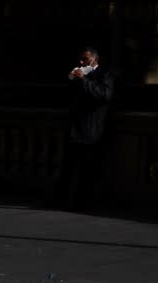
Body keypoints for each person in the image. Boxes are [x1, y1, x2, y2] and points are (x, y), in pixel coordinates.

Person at [54, 46, 115, 210]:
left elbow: (105, 95)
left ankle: (82, 203)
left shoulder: (105, 74)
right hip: (75, 128)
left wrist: (84, 80)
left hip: (91, 129)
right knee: (67, 167)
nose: (81, 62)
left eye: (85, 59)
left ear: (95, 59)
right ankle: (60, 201)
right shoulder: (79, 73)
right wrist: (71, 79)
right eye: (80, 59)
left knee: (87, 169)